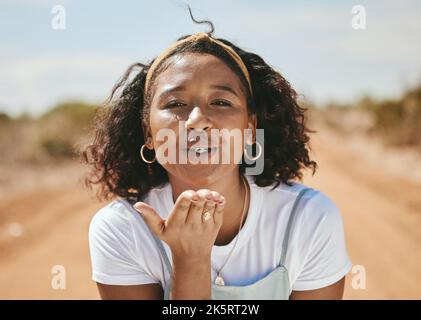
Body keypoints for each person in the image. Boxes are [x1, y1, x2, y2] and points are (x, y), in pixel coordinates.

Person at [83, 9, 352, 300]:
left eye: (221, 102)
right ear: (148, 132)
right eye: (175, 103)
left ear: (250, 127)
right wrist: (190, 260)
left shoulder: (306, 218)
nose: (198, 120)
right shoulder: (123, 228)